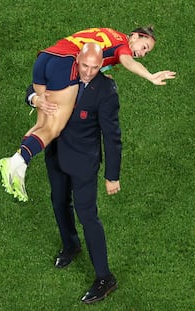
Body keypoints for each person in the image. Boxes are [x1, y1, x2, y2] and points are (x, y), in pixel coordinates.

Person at [0, 26, 175, 202]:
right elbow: (128, 61)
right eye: (144, 47)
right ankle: (15, 163)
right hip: (66, 63)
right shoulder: (122, 46)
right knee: (54, 128)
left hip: (46, 58)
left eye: (147, 52)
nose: (143, 54)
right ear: (135, 36)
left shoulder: (109, 33)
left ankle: (18, 170)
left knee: (41, 125)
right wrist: (150, 76)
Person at [43, 42, 121, 304]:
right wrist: (36, 99)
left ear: (102, 66)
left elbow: (112, 137)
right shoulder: (63, 73)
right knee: (58, 201)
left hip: (83, 162)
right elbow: (32, 88)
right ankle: (71, 244)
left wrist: (112, 175)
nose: (88, 72)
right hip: (55, 153)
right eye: (85, 65)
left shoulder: (106, 92)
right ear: (77, 59)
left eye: (95, 67)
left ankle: (104, 277)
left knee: (88, 217)